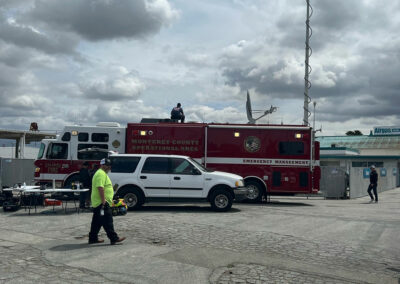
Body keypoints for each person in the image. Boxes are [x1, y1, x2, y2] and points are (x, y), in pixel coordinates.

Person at [88, 158, 125, 245]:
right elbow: (100, 187)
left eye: (110, 166)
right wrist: (104, 201)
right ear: (103, 165)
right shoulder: (100, 174)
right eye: (108, 166)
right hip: (102, 203)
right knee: (108, 220)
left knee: (97, 222)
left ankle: (93, 238)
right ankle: (114, 238)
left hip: (99, 202)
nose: (109, 167)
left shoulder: (102, 173)